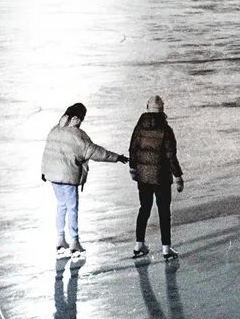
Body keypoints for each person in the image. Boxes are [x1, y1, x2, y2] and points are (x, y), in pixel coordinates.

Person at [41, 103, 127, 258]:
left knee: (61, 206)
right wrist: (117, 157)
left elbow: (47, 153)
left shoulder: (54, 130)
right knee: (72, 208)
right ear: (78, 118)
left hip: (53, 176)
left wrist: (44, 171)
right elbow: (95, 151)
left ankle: (60, 240)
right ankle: (74, 242)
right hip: (68, 176)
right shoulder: (78, 135)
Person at [127, 96, 185, 258]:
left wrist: (133, 168)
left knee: (144, 208)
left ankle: (139, 244)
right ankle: (166, 248)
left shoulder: (139, 128)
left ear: (147, 107)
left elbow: (132, 149)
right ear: (162, 110)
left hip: (143, 177)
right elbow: (170, 156)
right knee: (164, 211)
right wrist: (178, 176)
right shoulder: (166, 130)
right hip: (162, 178)